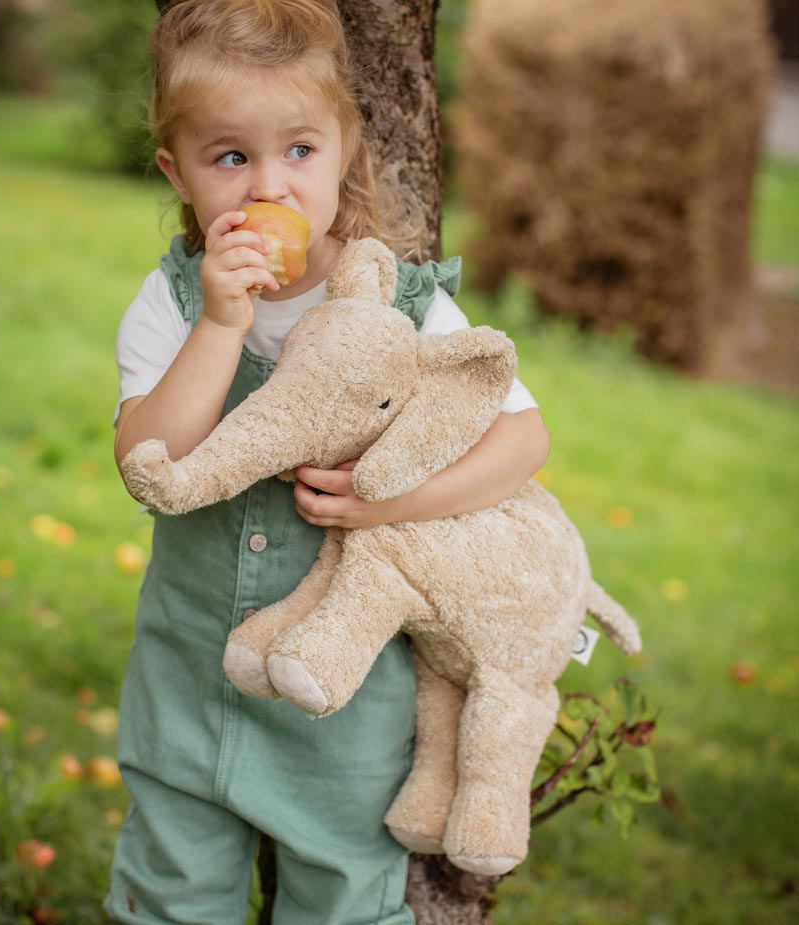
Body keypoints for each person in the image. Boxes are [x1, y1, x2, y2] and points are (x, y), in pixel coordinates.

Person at [107, 2, 550, 923]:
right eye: (229, 157)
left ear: (347, 148)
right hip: (188, 682)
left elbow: (523, 440)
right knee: (167, 894)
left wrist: (392, 505)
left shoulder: (402, 305)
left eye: (298, 151)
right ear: (175, 173)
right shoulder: (173, 301)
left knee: (341, 895)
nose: (267, 184)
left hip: (338, 705)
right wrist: (222, 325)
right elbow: (148, 458)